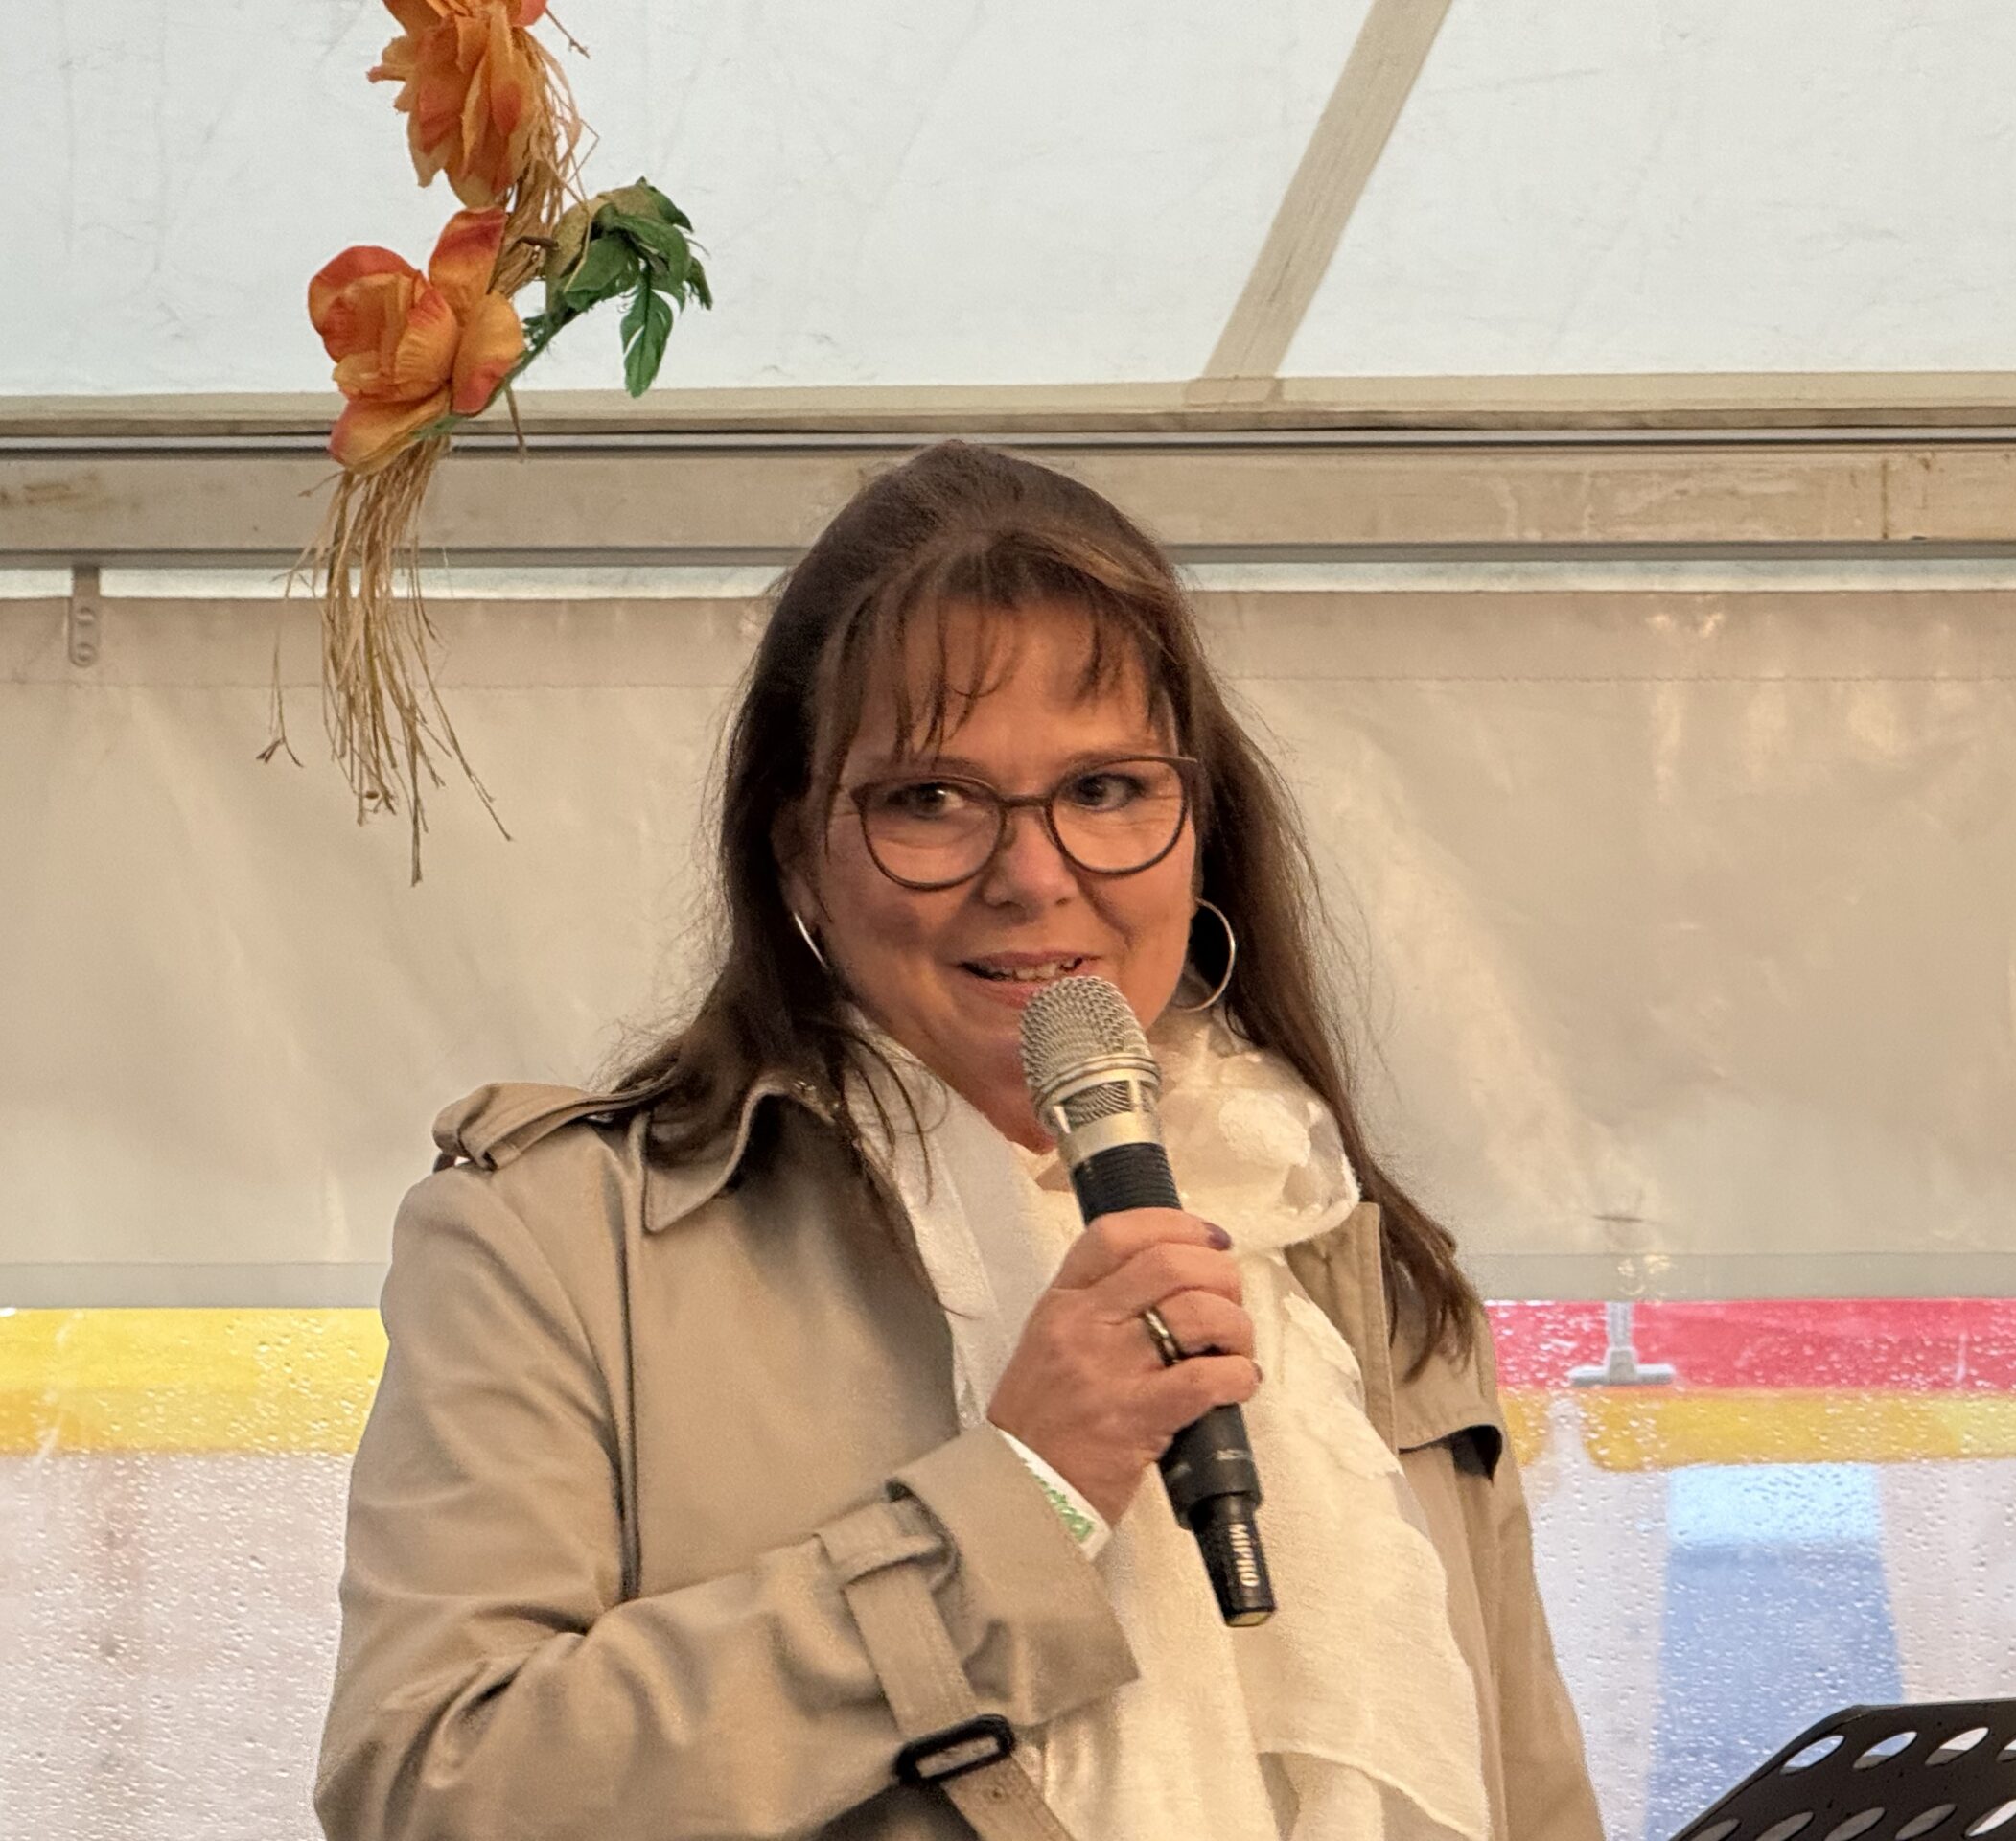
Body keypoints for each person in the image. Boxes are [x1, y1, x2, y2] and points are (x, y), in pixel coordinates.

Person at [316, 441, 1604, 1841]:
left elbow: (1533, 1799)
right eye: (930, 798)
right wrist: (1012, 1509)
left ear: (1201, 831)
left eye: (1106, 789)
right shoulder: (557, 1238)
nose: (1034, 876)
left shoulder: (1353, 1255)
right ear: (800, 856)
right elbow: (428, 1786)